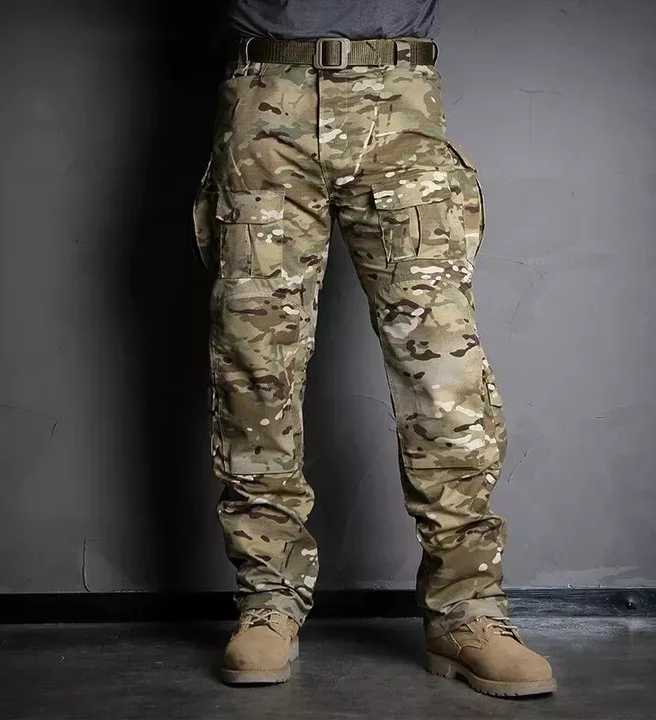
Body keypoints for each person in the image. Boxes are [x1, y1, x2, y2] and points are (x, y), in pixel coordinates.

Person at [192, 0, 557, 698]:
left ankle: (467, 610)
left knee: (442, 371)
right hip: (265, 97)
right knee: (254, 367)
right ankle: (267, 600)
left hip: (399, 100)